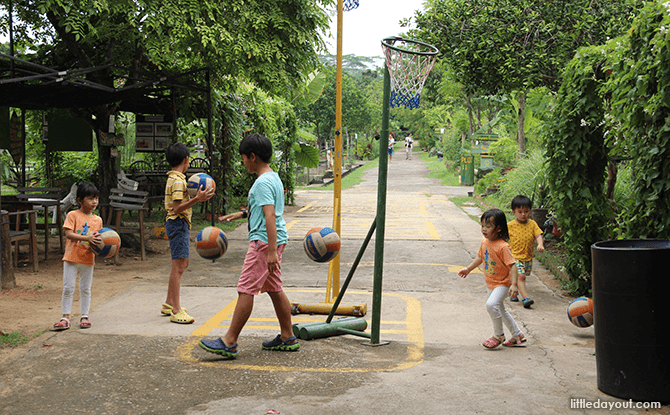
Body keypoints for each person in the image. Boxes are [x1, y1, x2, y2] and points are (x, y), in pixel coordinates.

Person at [199, 133, 298, 359]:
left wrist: (271, 251)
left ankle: (229, 341)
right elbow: (267, 210)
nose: (242, 162)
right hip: (274, 239)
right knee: (274, 287)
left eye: (243, 158)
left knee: (246, 288)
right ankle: (287, 336)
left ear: (252, 157)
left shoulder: (261, 182)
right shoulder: (273, 177)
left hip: (264, 243)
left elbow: (270, 215)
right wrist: (243, 213)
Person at [162, 142, 215, 324]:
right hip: (178, 223)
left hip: (178, 224)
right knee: (179, 266)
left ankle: (169, 303)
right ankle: (176, 310)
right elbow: (177, 208)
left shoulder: (175, 178)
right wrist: (196, 199)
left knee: (180, 264)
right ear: (186, 160)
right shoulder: (177, 180)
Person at [458, 209, 526, 348]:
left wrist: (514, 284)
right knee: (500, 310)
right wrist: (468, 269)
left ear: (499, 228)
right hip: (491, 283)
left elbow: (513, 266)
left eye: (488, 226)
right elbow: (480, 257)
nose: (484, 229)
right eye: (482, 225)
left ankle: (498, 335)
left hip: (503, 283)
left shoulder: (503, 246)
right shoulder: (485, 242)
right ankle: (517, 334)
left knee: (491, 305)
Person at [52, 182, 103, 331]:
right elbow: (68, 234)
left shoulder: (98, 220)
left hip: (88, 258)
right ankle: (65, 317)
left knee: (86, 288)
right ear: (80, 200)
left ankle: (84, 316)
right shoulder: (72, 215)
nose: (94, 202)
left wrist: (103, 248)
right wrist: (87, 238)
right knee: (68, 288)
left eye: (96, 198)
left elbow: (99, 239)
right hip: (71, 257)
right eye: (90, 198)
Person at [507, 195, 545, 308]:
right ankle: (525, 298)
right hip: (515, 257)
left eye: (526, 211)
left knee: (522, 276)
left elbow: (538, 235)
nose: (523, 214)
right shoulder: (510, 226)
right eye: (520, 212)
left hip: (528, 257)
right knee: (521, 277)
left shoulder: (532, 224)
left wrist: (540, 244)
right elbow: (503, 238)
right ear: (514, 212)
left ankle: (512, 291)